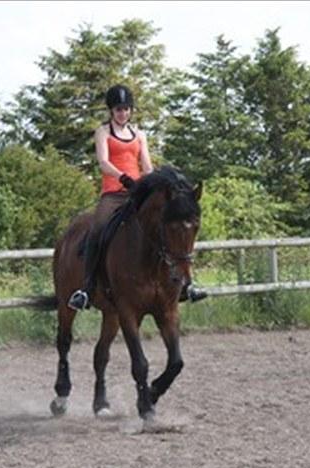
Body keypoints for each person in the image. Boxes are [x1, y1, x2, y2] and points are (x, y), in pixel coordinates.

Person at [68, 84, 207, 310]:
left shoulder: (139, 134)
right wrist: (122, 177)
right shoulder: (103, 132)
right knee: (97, 229)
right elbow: (103, 162)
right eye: (118, 109)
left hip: (139, 193)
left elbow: (147, 166)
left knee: (171, 228)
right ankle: (86, 288)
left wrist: (155, 185)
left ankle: (185, 284)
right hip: (113, 193)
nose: (123, 113)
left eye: (126, 109)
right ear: (111, 111)